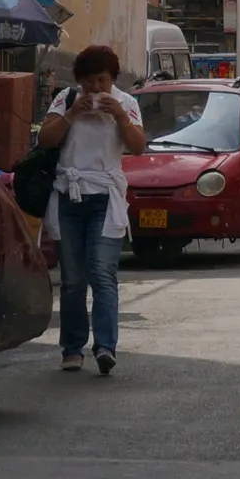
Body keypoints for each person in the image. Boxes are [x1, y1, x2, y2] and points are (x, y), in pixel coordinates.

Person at [37, 45, 146, 376]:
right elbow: (45, 139)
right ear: (79, 80)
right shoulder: (66, 99)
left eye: (102, 81)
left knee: (102, 273)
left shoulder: (126, 103)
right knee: (72, 279)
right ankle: (72, 348)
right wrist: (72, 114)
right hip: (69, 196)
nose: (96, 88)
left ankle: (105, 346)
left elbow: (138, 146)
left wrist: (120, 116)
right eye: (89, 82)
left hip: (105, 197)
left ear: (112, 79)